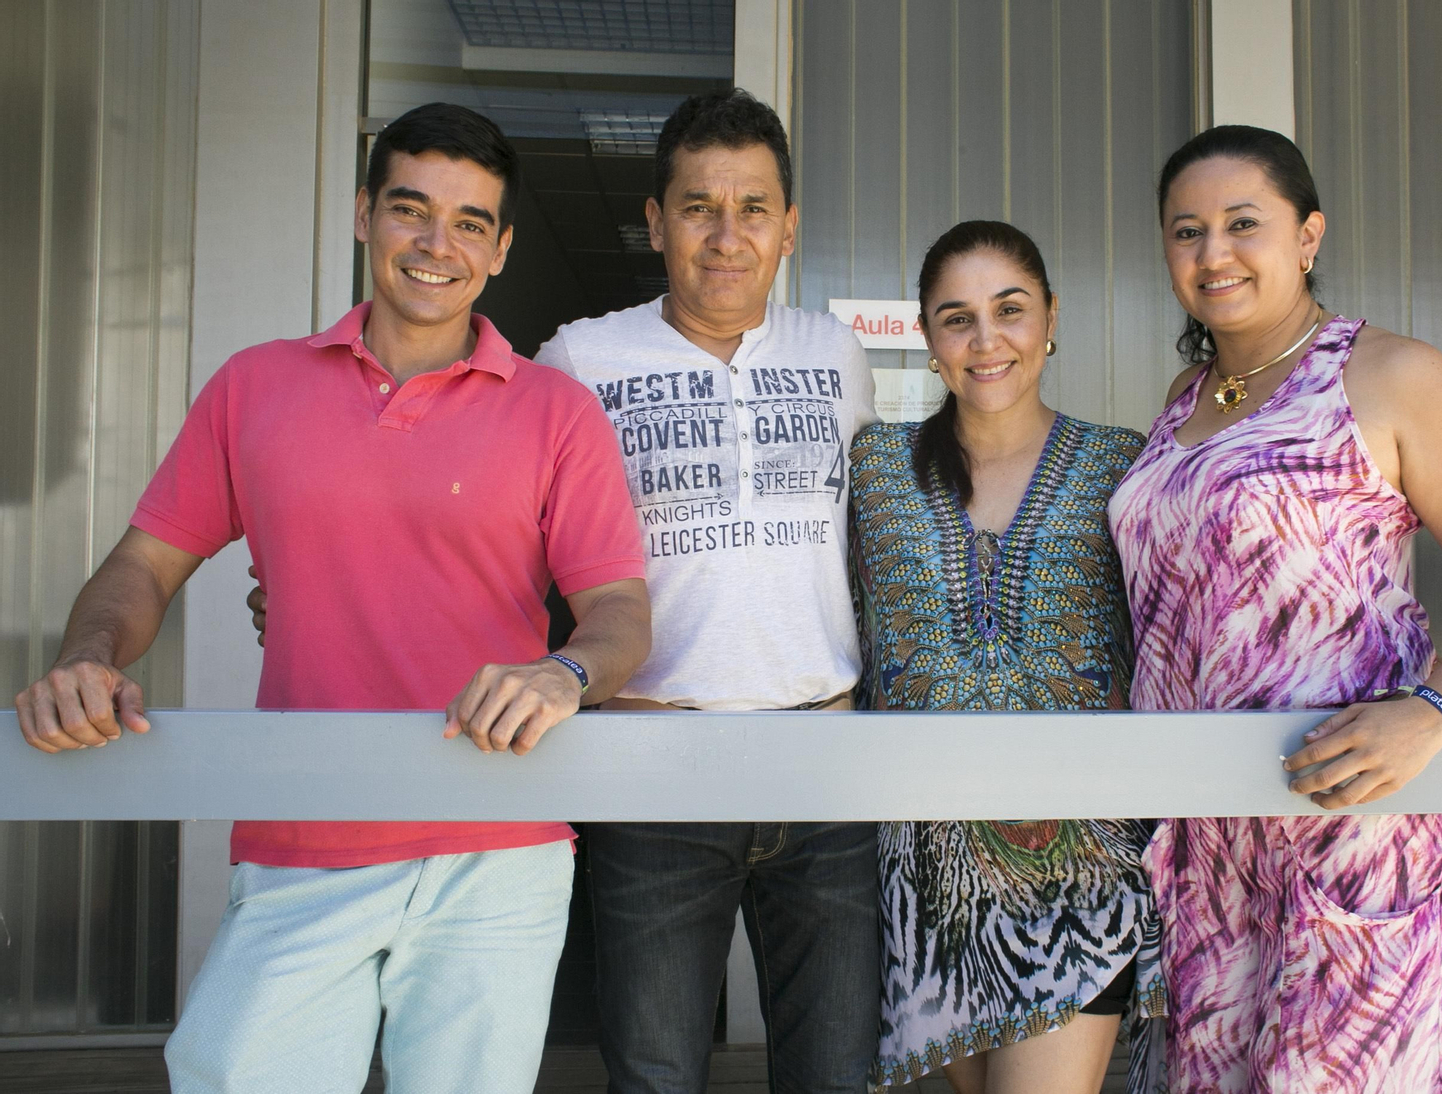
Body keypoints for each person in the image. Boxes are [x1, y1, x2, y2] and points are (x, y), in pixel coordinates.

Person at [13, 102, 651, 1094]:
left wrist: (565, 671)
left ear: (501, 247)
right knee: (231, 1071)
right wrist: (88, 656)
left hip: (498, 840)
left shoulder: (554, 411)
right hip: (305, 831)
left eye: (470, 221)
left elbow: (617, 610)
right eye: (410, 209)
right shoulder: (254, 387)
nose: (437, 244)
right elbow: (141, 566)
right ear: (363, 215)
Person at [1107, 124, 1442, 1092]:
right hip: (1207, 845)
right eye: (1186, 231)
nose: (1211, 252)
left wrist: (1433, 712)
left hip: (1351, 819)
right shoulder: (1186, 398)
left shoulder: (1388, 376)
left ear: (1307, 235)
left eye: (1241, 223)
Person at [533, 89, 881, 1093]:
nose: (727, 236)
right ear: (654, 221)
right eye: (697, 206)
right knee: (654, 1073)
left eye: (753, 207)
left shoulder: (836, 352)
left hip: (823, 765)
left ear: (787, 227)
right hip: (652, 765)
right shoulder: (578, 357)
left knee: (834, 1070)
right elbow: (492, 523)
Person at [851, 221, 1165, 1094]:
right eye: (957, 318)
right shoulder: (875, 468)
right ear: (927, 337)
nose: (986, 342)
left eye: (1010, 311)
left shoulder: (1122, 464)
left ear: (1051, 318)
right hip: (929, 870)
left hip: (1081, 869)